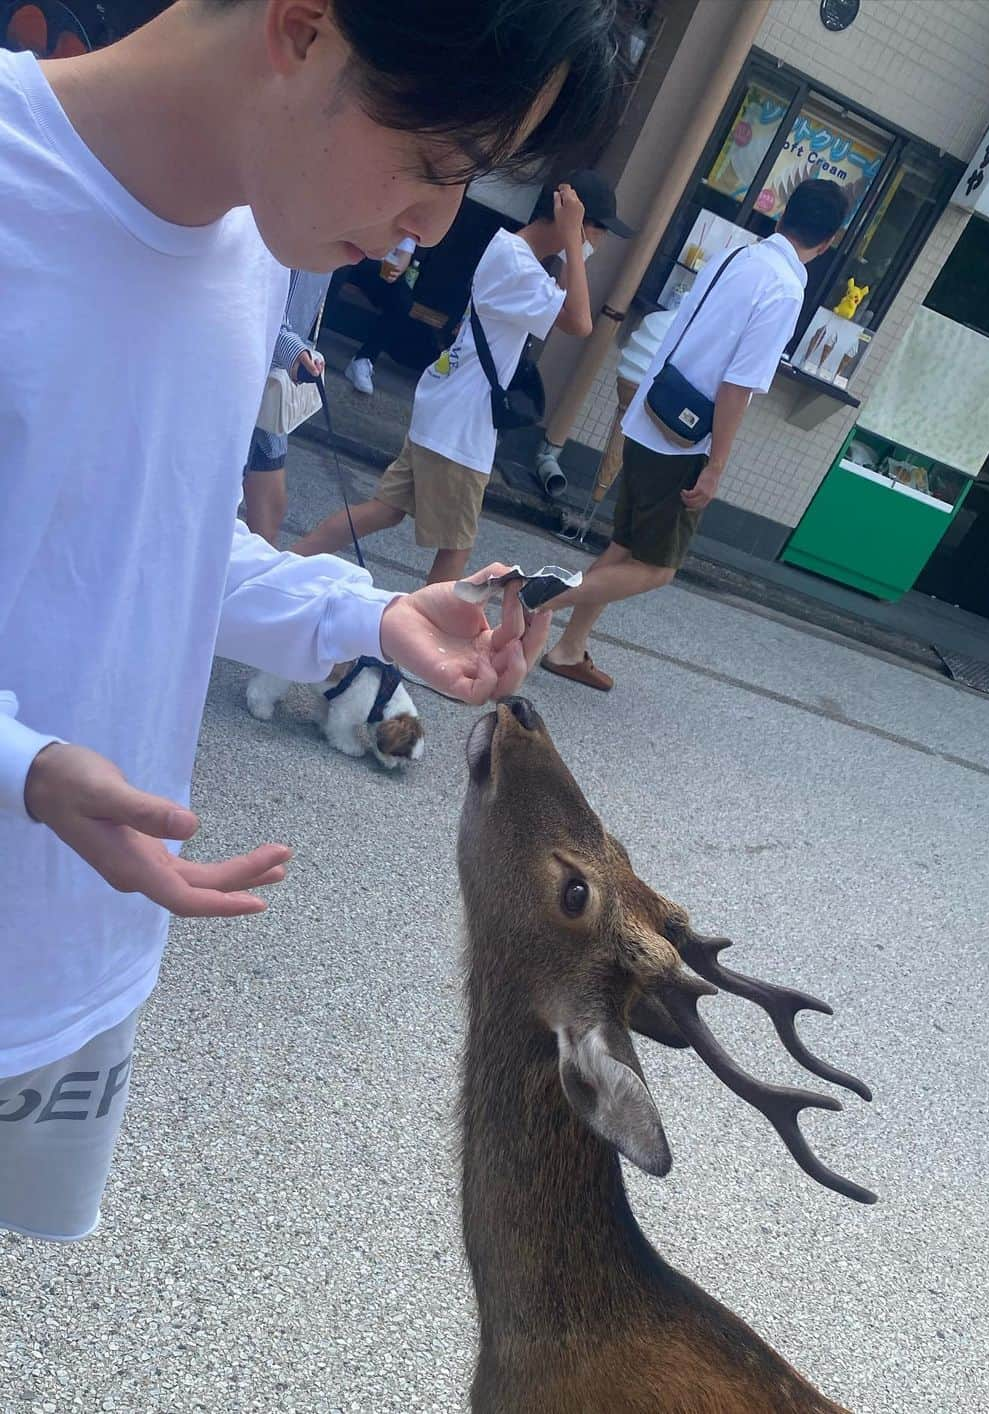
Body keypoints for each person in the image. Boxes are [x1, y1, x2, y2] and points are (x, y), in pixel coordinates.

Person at [0, 0, 628, 1243]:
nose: (434, 228)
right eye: (436, 166)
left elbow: (172, 540)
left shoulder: (251, 252)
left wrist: (375, 616)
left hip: (82, 951)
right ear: (301, 28)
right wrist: (26, 768)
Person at [541, 178, 850, 691]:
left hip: (648, 411)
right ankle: (539, 597)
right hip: (684, 441)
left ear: (782, 215)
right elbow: (737, 385)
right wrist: (717, 466)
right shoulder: (785, 289)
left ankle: (569, 649)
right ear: (831, 240)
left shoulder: (734, 257)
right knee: (658, 567)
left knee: (625, 547)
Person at [292, 170, 632, 585]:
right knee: (455, 549)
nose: (598, 243)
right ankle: (412, 642)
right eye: (597, 232)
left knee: (385, 509)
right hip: (462, 426)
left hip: (447, 407)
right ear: (575, 222)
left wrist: (569, 247)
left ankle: (288, 561)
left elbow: (563, 307)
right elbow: (579, 322)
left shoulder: (513, 252)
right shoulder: (520, 267)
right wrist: (574, 250)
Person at [243, 269, 332, 545]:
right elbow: (256, 285)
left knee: (268, 514)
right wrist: (294, 350)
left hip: (272, 387)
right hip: (246, 376)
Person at [342, 247, 416, 397]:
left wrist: (397, 270)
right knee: (335, 272)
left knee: (403, 301)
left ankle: (364, 359)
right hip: (349, 254)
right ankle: (308, 342)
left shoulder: (409, 224)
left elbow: (405, 253)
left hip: (379, 268)